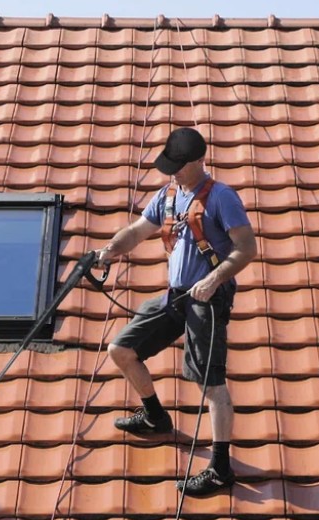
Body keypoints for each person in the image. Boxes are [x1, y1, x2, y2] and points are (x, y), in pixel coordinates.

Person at [95, 126, 257, 497]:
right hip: (176, 296)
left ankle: (220, 467)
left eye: (179, 166)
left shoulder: (222, 198)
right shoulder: (168, 195)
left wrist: (215, 279)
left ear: (200, 160)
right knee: (121, 349)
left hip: (207, 301)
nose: (173, 172)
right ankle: (154, 415)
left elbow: (246, 248)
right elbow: (137, 231)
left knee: (209, 383)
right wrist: (109, 250)